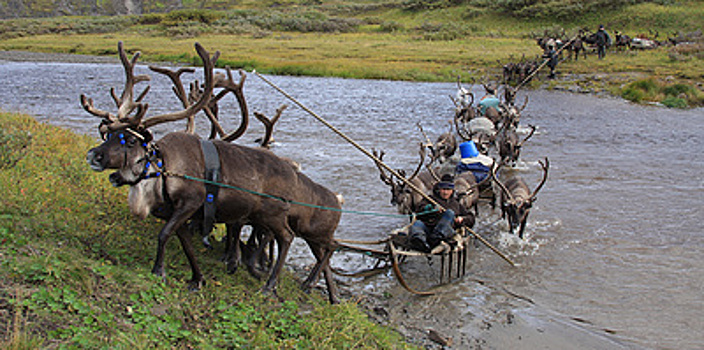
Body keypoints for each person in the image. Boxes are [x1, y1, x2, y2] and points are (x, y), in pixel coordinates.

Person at [409, 174, 475, 253]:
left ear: (452, 191)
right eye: (443, 189)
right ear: (439, 189)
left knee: (449, 213)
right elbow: (419, 210)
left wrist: (462, 219)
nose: (445, 192)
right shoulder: (430, 199)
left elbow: (471, 217)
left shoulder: (456, 204)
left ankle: (437, 237)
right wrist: (429, 208)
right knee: (418, 223)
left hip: (445, 232)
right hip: (429, 227)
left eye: (448, 189)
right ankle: (420, 241)